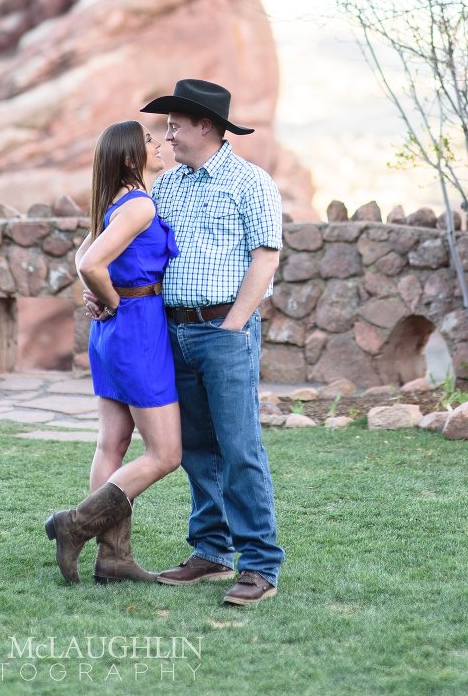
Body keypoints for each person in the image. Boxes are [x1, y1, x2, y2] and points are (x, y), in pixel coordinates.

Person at [140, 78, 285, 606]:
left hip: (224, 331)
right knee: (196, 449)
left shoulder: (251, 183)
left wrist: (233, 326)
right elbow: (145, 251)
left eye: (175, 123)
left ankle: (260, 565)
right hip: (173, 330)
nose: (168, 132)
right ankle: (211, 552)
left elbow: (266, 256)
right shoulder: (168, 185)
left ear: (206, 125)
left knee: (239, 448)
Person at [45, 121, 181, 584]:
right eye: (147, 140)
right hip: (137, 327)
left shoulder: (116, 202)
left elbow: (83, 257)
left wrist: (101, 297)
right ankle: (75, 524)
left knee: (113, 444)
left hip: (112, 334)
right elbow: (89, 263)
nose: (158, 143)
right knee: (165, 454)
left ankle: (114, 558)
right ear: (129, 157)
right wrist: (116, 298)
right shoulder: (140, 204)